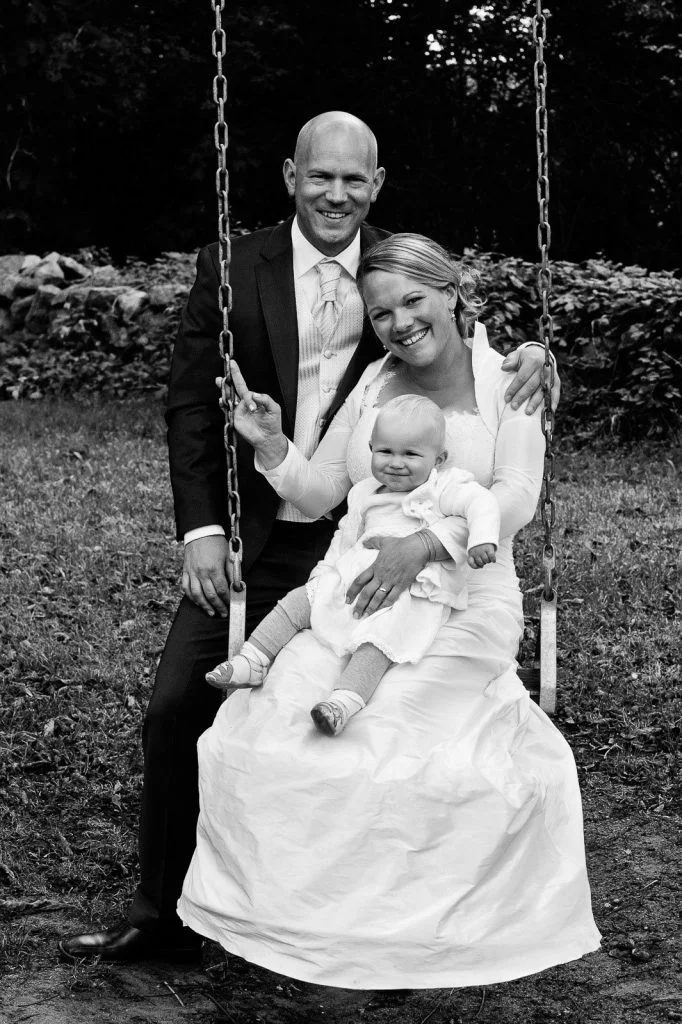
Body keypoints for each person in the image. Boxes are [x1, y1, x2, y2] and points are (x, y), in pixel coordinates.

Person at [58, 112, 558, 964]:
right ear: (290, 176)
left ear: (378, 185)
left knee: (378, 737)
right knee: (184, 706)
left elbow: (469, 354)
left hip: (425, 565)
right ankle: (173, 911)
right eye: (320, 177)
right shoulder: (236, 265)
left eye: (354, 180)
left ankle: (376, 920)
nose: (337, 195)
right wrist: (215, 513)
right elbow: (199, 407)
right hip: (292, 543)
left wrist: (540, 354)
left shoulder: (398, 268)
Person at [177, 232, 600, 989]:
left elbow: (514, 496)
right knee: (279, 720)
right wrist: (272, 445)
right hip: (363, 596)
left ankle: (414, 936)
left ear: (451, 293)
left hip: (468, 600)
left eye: (413, 301)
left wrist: (426, 545)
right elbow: (320, 491)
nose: (400, 323)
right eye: (381, 313)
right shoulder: (375, 383)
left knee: (394, 738)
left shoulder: (513, 379)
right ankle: (325, 928)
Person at [205, 393, 500, 737]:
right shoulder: (363, 492)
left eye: (411, 454)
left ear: (439, 458)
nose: (396, 463)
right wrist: (324, 579)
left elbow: (482, 503)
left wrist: (482, 539)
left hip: (410, 590)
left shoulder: (443, 486)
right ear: (371, 448)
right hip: (353, 574)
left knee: (380, 640)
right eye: (385, 451)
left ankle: (342, 703)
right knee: (300, 600)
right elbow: (344, 540)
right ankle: (253, 659)